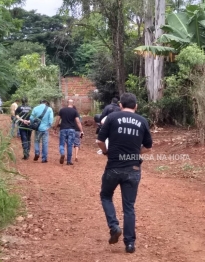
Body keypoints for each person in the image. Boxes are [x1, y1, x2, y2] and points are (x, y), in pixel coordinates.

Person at [97, 92, 152, 253]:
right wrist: (134, 154)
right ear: (136, 106)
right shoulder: (142, 121)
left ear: (120, 105)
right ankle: (130, 244)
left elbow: (100, 141)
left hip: (113, 167)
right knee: (129, 206)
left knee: (106, 196)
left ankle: (114, 226)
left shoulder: (112, 118)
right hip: (133, 169)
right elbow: (148, 148)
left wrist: (107, 152)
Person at [53, 100, 84, 165]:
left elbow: (58, 120)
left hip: (63, 129)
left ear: (67, 103)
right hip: (72, 130)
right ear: (73, 104)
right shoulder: (75, 111)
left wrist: (55, 128)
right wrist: (81, 131)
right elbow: (78, 122)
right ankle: (69, 161)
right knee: (70, 145)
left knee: (62, 144)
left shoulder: (62, 110)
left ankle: (62, 153)